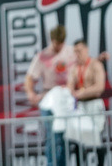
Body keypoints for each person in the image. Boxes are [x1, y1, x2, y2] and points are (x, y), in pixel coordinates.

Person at [26, 25, 72, 166]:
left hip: (66, 100)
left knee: (66, 137)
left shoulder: (71, 53)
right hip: (49, 99)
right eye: (56, 43)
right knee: (52, 137)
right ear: (51, 40)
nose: (58, 47)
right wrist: (31, 92)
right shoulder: (42, 56)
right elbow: (30, 77)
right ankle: (51, 164)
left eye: (61, 43)